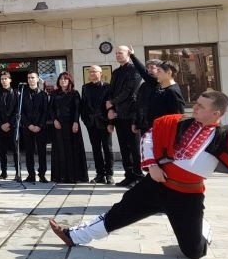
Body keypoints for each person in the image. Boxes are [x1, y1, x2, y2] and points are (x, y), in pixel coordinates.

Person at [50, 72, 228, 259]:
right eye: (195, 103)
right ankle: (73, 236)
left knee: (194, 253)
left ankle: (202, 227)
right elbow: (150, 136)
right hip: (157, 183)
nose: (194, 108)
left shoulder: (227, 135)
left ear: (215, 113)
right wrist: (152, 166)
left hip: (187, 195)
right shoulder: (180, 123)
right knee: (118, 213)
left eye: (200, 106)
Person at [107, 46, 144, 187]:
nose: (117, 55)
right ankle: (128, 175)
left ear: (128, 54)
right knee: (124, 148)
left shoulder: (135, 70)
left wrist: (112, 102)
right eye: (116, 53)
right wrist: (111, 108)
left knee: (135, 148)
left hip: (132, 114)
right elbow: (111, 91)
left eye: (120, 53)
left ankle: (138, 175)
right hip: (119, 115)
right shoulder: (116, 72)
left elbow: (130, 91)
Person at [131, 52, 186, 131]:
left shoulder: (172, 91)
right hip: (152, 129)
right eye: (148, 68)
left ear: (169, 73)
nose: (157, 74)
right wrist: (136, 121)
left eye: (159, 71)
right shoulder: (163, 89)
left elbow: (178, 117)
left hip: (164, 133)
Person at [49, 72, 87, 183]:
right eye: (60, 79)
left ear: (69, 81)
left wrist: (76, 122)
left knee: (73, 149)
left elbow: (77, 109)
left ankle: (74, 176)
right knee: (60, 149)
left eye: (65, 79)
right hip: (58, 124)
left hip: (71, 124)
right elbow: (51, 108)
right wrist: (54, 120)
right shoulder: (54, 94)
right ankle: (61, 176)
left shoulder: (74, 93)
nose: (62, 81)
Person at [80, 66, 114, 185]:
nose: (92, 73)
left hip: (104, 123)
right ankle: (100, 174)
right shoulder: (85, 87)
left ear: (100, 73)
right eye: (90, 72)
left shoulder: (108, 87)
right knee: (96, 149)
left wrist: (111, 123)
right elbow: (83, 105)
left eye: (94, 71)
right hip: (91, 124)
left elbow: (111, 106)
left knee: (107, 149)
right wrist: (85, 120)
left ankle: (109, 174)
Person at [20, 70, 48, 183]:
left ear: (37, 79)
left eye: (32, 77)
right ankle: (31, 174)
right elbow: (21, 112)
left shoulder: (43, 94)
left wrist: (39, 125)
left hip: (40, 128)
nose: (30, 79)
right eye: (29, 78)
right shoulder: (22, 94)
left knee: (42, 152)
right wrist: (29, 125)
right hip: (28, 128)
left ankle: (42, 174)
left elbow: (45, 112)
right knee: (29, 152)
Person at [0, 71, 19, 180]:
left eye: (5, 79)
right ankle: (3, 172)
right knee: (2, 151)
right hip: (1, 126)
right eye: (2, 79)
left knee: (15, 150)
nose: (3, 81)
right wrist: (1, 124)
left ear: (10, 80)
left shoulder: (16, 93)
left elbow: (17, 111)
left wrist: (9, 123)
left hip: (12, 127)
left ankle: (18, 172)